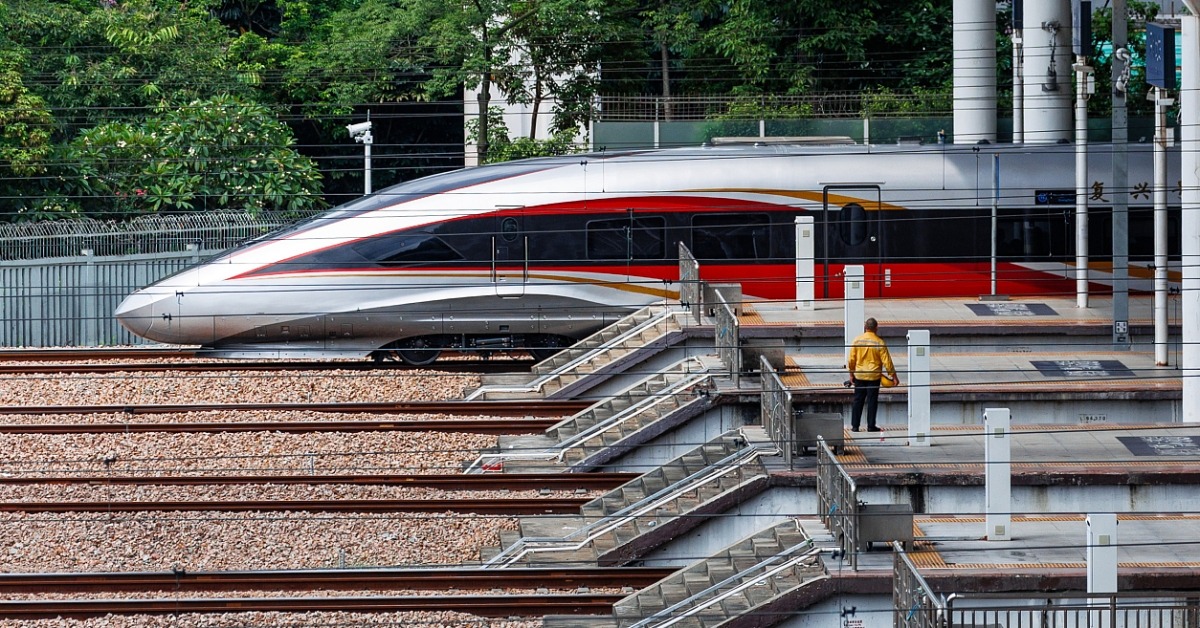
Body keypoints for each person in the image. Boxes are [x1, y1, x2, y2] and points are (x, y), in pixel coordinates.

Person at [847, 317, 898, 432]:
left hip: (860, 375)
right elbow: (887, 361)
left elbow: (851, 360)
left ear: (865, 327)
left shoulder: (857, 340)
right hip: (874, 376)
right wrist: (893, 376)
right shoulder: (879, 342)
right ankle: (871, 426)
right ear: (876, 328)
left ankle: (855, 426)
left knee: (858, 400)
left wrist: (851, 374)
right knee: (872, 401)